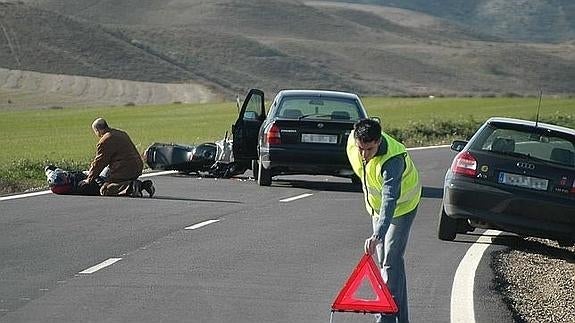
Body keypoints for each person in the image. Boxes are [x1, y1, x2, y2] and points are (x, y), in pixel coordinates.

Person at [346, 118, 421, 323]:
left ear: (378, 142)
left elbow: (390, 200)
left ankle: (385, 319)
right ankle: (401, 319)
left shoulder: (392, 161)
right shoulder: (353, 141)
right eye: (361, 148)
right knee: (391, 264)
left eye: (369, 149)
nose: (364, 154)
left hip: (403, 206)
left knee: (389, 262)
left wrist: (377, 234)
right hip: (377, 209)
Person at [78, 118, 155, 197]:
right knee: (119, 179)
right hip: (138, 166)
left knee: (105, 189)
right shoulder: (121, 133)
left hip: (125, 169)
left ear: (98, 130)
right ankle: (144, 185)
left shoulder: (105, 140)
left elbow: (99, 162)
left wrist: (89, 179)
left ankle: (131, 186)